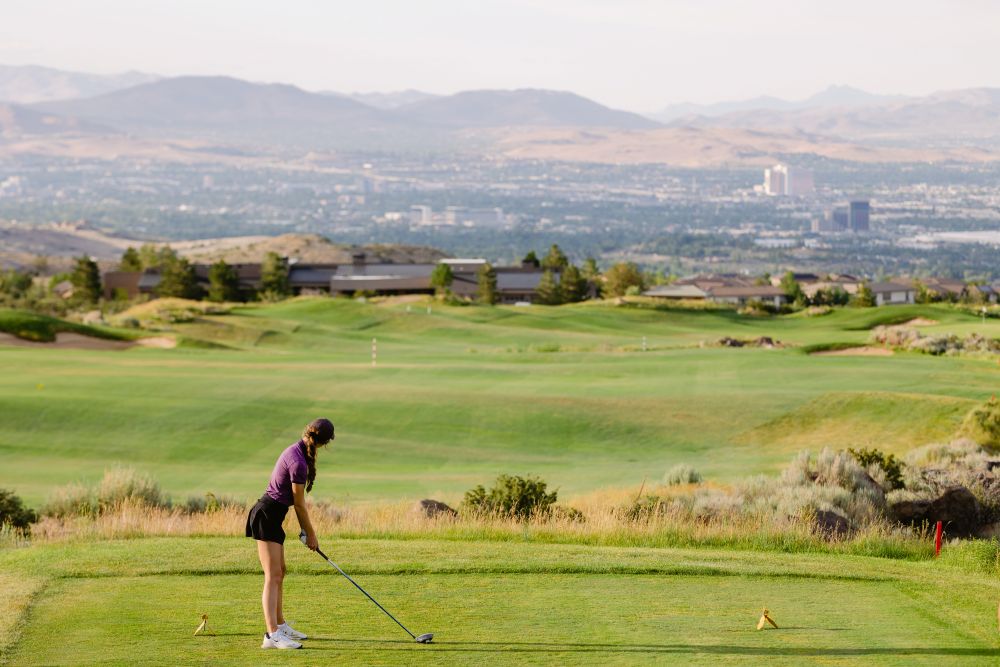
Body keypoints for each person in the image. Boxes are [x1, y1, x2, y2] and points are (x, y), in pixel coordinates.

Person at [245, 418, 335, 649]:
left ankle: (280, 625)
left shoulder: (298, 451)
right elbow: (299, 504)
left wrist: (307, 532)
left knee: (279, 572)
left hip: (273, 517)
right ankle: (271, 635)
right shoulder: (298, 462)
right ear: (325, 443)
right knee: (272, 576)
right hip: (265, 516)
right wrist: (311, 535)